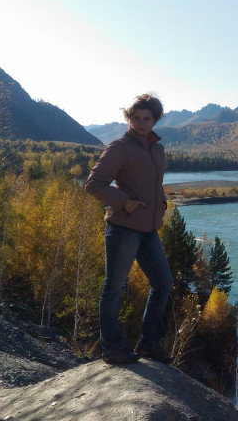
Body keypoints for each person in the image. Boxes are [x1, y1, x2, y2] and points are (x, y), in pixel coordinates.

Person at [85, 93, 173, 364]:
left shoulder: (156, 148)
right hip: (123, 226)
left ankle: (148, 345)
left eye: (147, 118)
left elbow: (153, 182)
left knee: (163, 284)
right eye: (136, 118)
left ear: (155, 119)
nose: (141, 123)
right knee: (114, 289)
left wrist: (161, 201)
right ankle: (112, 348)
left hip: (149, 228)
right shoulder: (120, 147)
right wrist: (126, 203)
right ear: (129, 119)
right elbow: (93, 184)